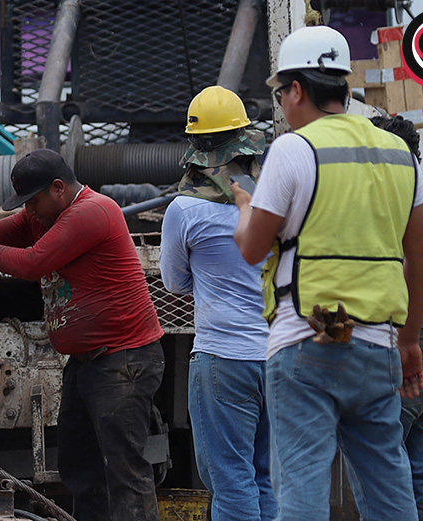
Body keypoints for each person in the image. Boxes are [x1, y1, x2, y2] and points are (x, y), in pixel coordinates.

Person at [230, 26, 423, 520]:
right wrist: (408, 342)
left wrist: (245, 206)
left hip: (310, 338)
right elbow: (421, 255)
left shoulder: (294, 150)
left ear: (296, 89)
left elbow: (253, 249)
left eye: (279, 93)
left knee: (301, 491)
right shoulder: (398, 153)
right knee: (390, 491)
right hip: (378, 344)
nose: (280, 104)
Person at [0, 149, 164, 521]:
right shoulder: (39, 215)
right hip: (88, 362)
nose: (29, 211)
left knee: (124, 470)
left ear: (58, 188)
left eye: (34, 201)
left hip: (123, 360)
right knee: (81, 468)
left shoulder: (92, 212)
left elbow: (31, 262)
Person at [160, 85, 275, 521]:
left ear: (196, 148)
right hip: (278, 356)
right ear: (245, 142)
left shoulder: (185, 211)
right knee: (266, 476)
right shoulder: (274, 202)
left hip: (224, 357)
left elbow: (173, 282)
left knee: (230, 479)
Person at [372, 114, 423, 521]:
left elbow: (404, 275)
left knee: (385, 467)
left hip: (409, 352)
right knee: (421, 466)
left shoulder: (400, 204)